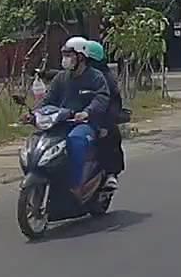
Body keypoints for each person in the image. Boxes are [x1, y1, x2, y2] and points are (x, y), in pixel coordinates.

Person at [29, 36, 110, 190]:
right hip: (61, 122)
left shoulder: (96, 77)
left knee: (76, 141)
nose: (65, 59)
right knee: (38, 141)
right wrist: (35, 114)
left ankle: (75, 184)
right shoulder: (61, 77)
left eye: (69, 55)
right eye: (64, 55)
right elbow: (48, 100)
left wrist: (86, 112)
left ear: (81, 57)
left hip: (85, 124)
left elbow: (101, 98)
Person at [83, 40, 124, 190]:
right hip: (76, 116)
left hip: (100, 118)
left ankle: (111, 174)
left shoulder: (105, 78)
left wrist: (106, 124)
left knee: (110, 136)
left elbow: (114, 104)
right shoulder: (75, 74)